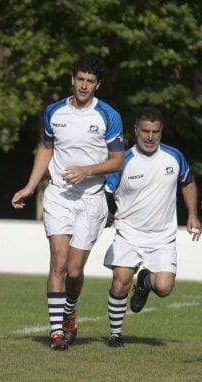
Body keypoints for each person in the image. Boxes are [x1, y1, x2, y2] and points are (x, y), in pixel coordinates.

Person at [11, 54, 124, 351]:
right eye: (80, 79)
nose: (84, 86)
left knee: (74, 270)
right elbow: (46, 148)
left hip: (91, 199)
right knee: (58, 262)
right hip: (59, 195)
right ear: (71, 79)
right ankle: (57, 333)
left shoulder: (108, 116)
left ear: (97, 84)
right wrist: (30, 186)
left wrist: (86, 170)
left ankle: (70, 310)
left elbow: (117, 161)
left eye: (90, 81)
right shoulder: (54, 112)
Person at [102, 107, 200, 347]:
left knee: (164, 287)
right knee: (120, 281)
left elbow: (187, 182)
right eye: (145, 131)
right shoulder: (122, 161)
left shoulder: (173, 156)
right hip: (129, 233)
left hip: (162, 237)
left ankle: (144, 282)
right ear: (135, 131)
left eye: (155, 131)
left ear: (161, 131)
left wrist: (193, 215)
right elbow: (105, 191)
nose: (150, 136)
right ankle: (115, 333)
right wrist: (107, 213)